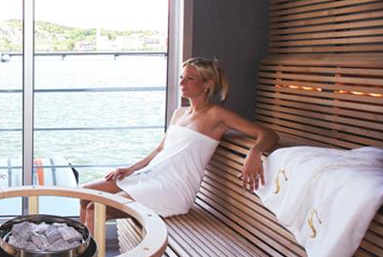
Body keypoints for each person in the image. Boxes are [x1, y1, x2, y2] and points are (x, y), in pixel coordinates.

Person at [80, 57, 278, 227]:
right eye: (181, 77)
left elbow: (268, 134)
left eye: (190, 78)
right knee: (85, 193)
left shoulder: (216, 115)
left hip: (173, 189)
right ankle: (78, 250)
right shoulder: (179, 113)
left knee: (95, 208)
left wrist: (255, 152)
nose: (182, 83)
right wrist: (130, 169)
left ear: (207, 84)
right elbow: (160, 149)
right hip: (151, 177)